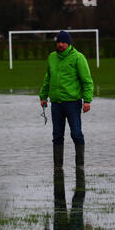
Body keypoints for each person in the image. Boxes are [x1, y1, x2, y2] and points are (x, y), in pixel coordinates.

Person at [39, 31, 94, 170]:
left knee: (76, 133)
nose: (60, 44)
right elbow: (48, 78)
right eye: (58, 42)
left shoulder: (78, 57)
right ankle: (58, 167)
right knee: (57, 135)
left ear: (69, 43)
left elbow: (87, 81)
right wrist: (43, 96)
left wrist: (87, 100)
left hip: (72, 102)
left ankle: (80, 165)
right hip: (56, 103)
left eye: (63, 42)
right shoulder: (52, 57)